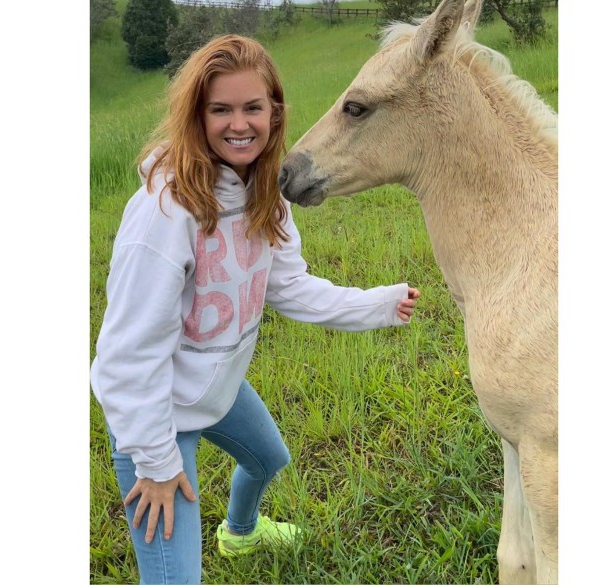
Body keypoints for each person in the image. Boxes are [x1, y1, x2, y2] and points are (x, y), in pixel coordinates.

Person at [90, 34, 421, 584]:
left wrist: (379, 304)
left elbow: (288, 286)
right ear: (196, 116)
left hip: (214, 386)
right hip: (155, 416)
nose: (238, 123)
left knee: (269, 459)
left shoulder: (265, 190)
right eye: (220, 109)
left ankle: (239, 533)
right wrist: (154, 463)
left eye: (252, 107)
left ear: (274, 112)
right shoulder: (164, 211)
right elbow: (126, 356)